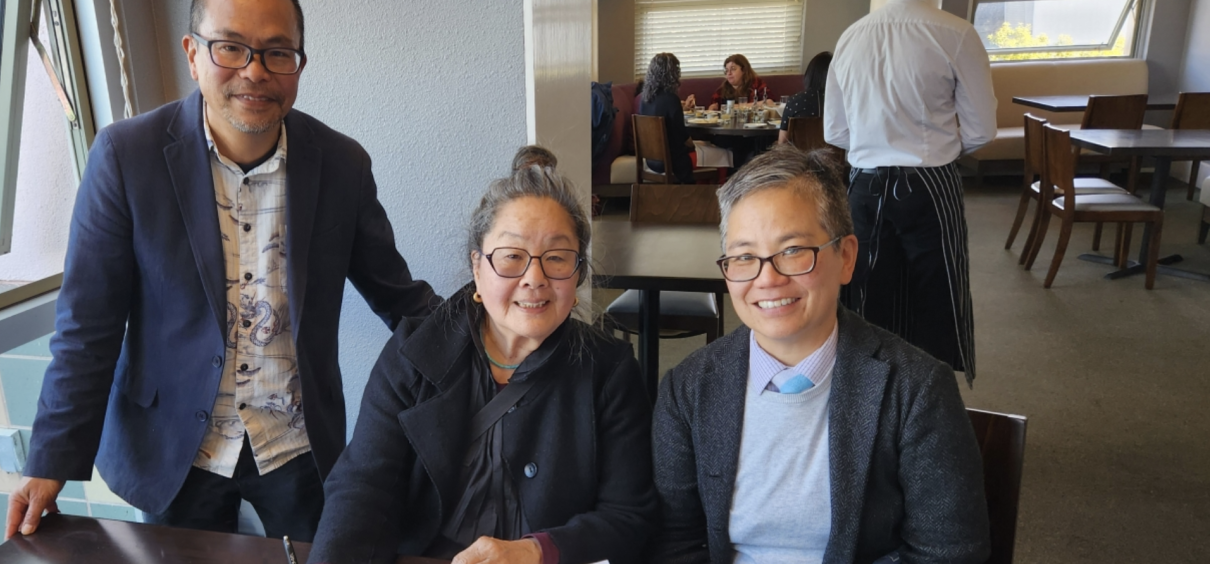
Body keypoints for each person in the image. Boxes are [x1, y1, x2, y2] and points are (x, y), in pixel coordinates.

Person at [4, 0, 439, 542]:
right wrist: (49, 461)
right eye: (230, 47)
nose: (254, 70)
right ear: (193, 53)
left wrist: (497, 335)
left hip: (297, 446)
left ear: (298, 64)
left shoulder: (342, 164)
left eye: (277, 52)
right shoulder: (125, 156)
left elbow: (398, 296)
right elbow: (87, 325)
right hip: (172, 449)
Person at [650, 145, 991, 564]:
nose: (767, 278)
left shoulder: (917, 389)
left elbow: (949, 553)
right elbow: (676, 542)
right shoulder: (687, 388)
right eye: (743, 257)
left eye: (793, 251)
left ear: (845, 257)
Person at [309, 164, 656, 564]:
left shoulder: (609, 371)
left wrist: (535, 551)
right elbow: (364, 487)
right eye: (512, 257)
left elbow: (629, 516)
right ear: (478, 267)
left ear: (577, 274)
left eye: (557, 258)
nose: (534, 277)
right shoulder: (414, 354)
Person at [824, 0, 996, 383]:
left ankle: (867, 391)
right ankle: (932, 398)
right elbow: (982, 129)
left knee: (865, 296)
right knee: (937, 296)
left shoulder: (851, 37)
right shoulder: (955, 32)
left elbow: (834, 132)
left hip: (865, 184)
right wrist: (935, 145)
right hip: (930, 182)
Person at [640, 53, 696, 184]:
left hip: (651, 160)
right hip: (673, 161)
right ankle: (702, 197)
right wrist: (692, 144)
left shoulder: (645, 99)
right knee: (709, 153)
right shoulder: (671, 99)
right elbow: (681, 135)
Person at [777, 51, 833, 145]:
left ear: (809, 74)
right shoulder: (844, 101)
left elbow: (782, 142)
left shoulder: (795, 101)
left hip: (799, 158)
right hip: (834, 158)